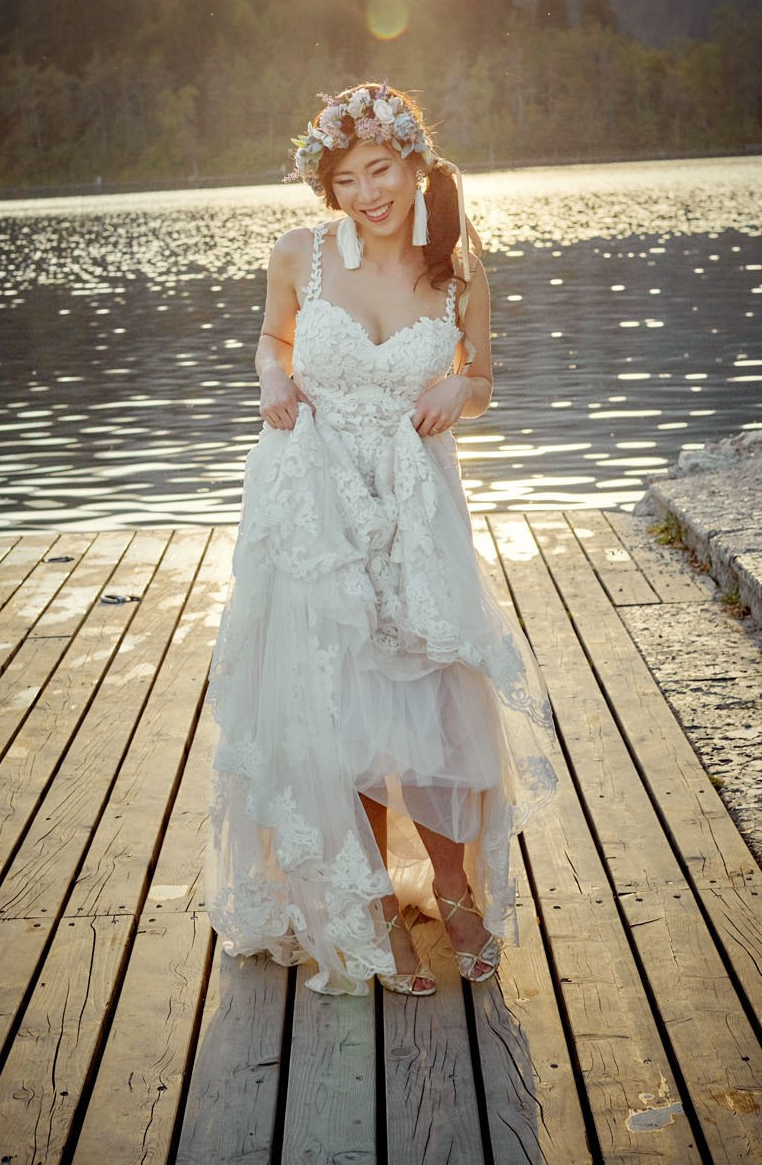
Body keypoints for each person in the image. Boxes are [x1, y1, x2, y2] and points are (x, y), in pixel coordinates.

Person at [206, 82, 557, 996]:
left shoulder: (458, 264)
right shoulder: (299, 255)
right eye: (350, 177)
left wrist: (457, 392)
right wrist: (269, 380)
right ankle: (366, 904)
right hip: (313, 495)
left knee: (435, 686)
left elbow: (479, 376)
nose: (369, 192)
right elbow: (266, 341)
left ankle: (452, 885)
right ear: (328, 186)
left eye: (382, 170)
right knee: (342, 696)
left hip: (412, 496)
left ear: (413, 165)